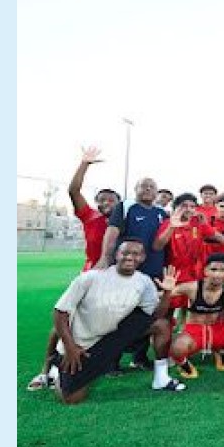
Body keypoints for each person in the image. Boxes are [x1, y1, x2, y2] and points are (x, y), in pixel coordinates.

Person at [27, 146, 121, 391]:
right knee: (66, 321)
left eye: (111, 199)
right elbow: (73, 190)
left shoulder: (125, 222)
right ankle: (45, 371)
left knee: (107, 323)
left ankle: (100, 364)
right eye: (102, 199)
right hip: (91, 276)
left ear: (119, 203)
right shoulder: (90, 217)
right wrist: (85, 163)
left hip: (115, 280)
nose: (106, 202)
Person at [50, 239, 184, 404]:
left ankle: (161, 378)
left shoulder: (144, 282)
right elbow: (60, 312)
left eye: (135, 254)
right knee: (71, 398)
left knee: (161, 325)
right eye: (125, 253)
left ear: (142, 258)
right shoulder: (91, 277)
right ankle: (57, 368)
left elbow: (156, 315)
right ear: (116, 255)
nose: (130, 257)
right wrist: (70, 346)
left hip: (113, 337)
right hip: (82, 346)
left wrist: (168, 293)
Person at [153, 193, 224, 377]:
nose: (189, 209)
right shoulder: (169, 223)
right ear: (176, 207)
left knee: (204, 312)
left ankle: (209, 347)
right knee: (166, 316)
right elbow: (158, 246)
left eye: (192, 206)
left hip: (196, 275)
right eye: (184, 205)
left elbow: (218, 236)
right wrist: (171, 227)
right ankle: (167, 354)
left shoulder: (198, 224)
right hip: (174, 275)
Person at [97, 177, 170, 371]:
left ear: (156, 192)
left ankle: (140, 357)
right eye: (143, 186)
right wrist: (105, 257)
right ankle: (111, 360)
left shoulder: (162, 213)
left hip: (153, 271)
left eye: (152, 187)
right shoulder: (125, 207)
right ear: (135, 189)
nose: (147, 189)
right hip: (128, 271)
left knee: (148, 313)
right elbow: (112, 233)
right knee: (119, 314)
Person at [166, 254, 224, 378]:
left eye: (222, 270)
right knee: (176, 347)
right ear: (205, 271)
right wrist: (166, 291)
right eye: (213, 269)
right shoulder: (192, 287)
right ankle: (185, 366)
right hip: (194, 332)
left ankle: (220, 350)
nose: (217, 274)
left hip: (217, 331)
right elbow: (161, 296)